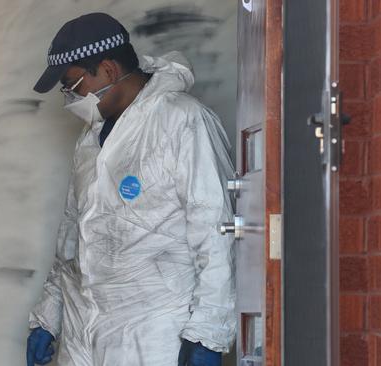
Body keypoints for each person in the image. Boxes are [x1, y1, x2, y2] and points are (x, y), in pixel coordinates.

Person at [26, 12, 236, 366]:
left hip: (154, 330)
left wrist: (208, 334)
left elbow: (216, 233)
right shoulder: (91, 139)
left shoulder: (181, 121)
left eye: (74, 86)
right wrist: (49, 315)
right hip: (85, 329)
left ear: (108, 70)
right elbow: (72, 234)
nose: (69, 99)